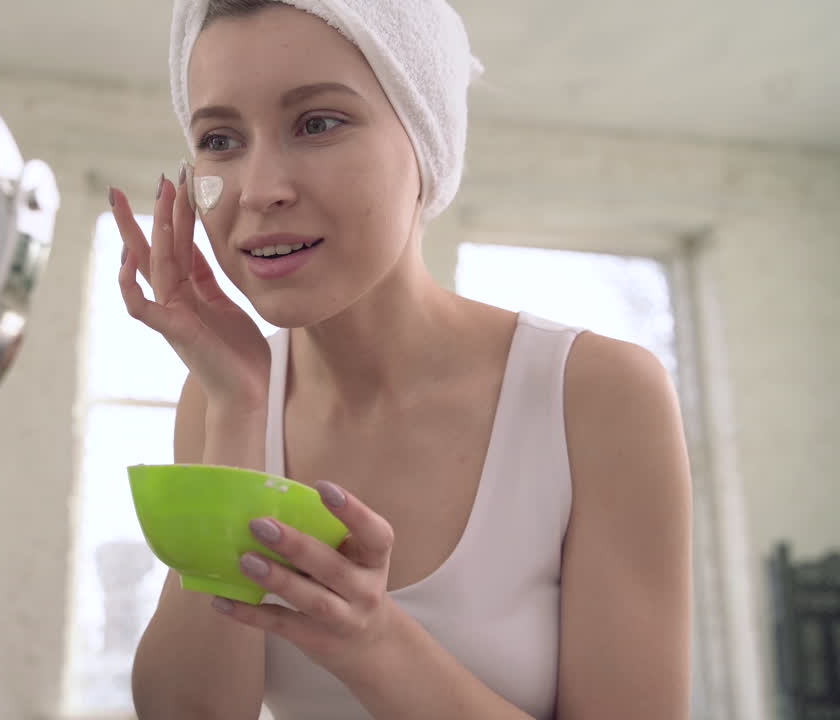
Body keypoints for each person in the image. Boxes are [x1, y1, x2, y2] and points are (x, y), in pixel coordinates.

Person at [108, 1, 692, 718]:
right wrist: (236, 413)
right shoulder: (221, 397)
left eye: (317, 123)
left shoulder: (596, 394)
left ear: (426, 144)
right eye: (220, 139)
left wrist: (374, 642)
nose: (259, 191)